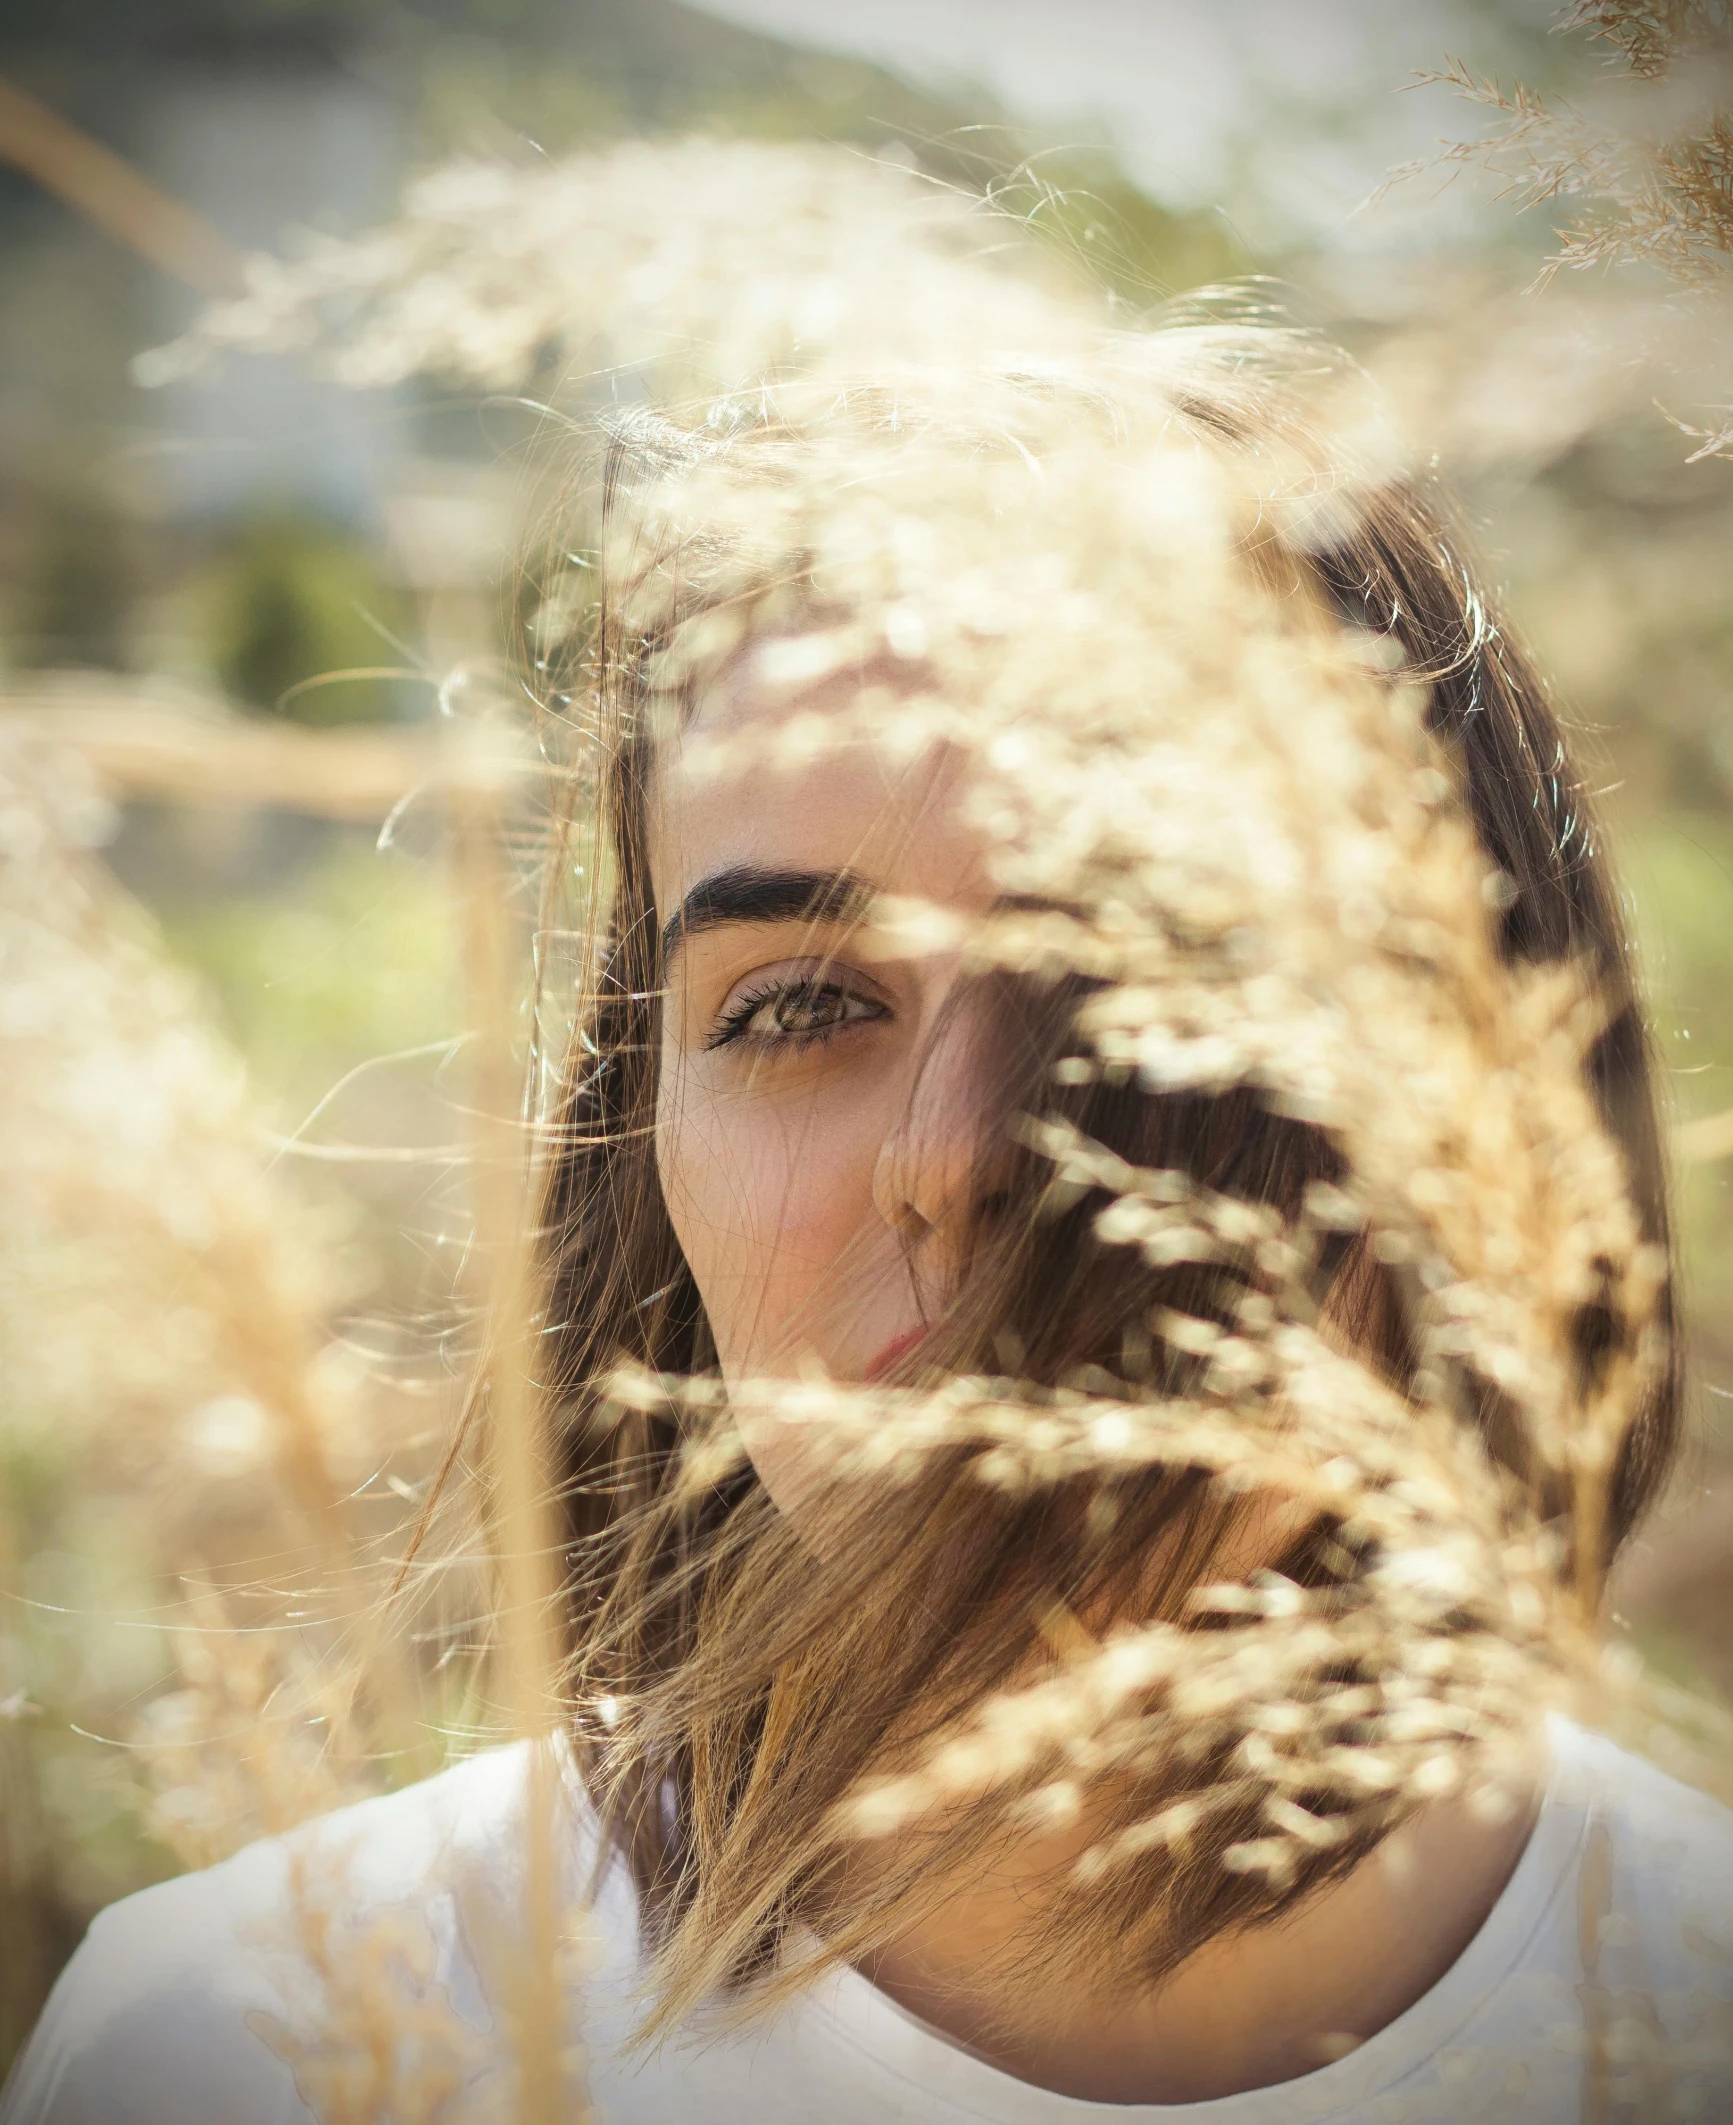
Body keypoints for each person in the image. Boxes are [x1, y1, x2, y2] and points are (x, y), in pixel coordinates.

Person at [5, 306, 1732, 2125]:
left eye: (1143, 960)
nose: (958, 1149)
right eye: (800, 1005)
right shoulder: (242, 2052)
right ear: (643, 1153)